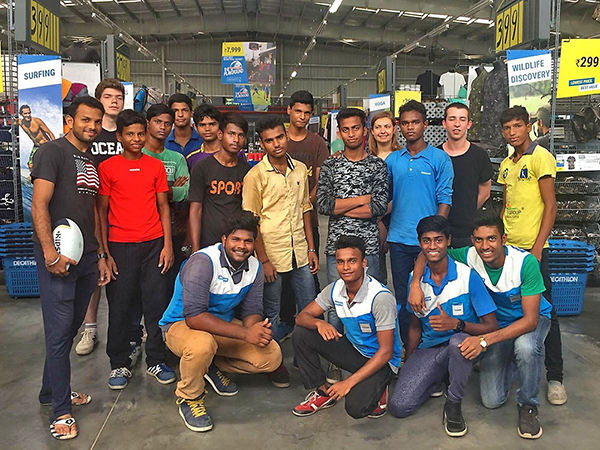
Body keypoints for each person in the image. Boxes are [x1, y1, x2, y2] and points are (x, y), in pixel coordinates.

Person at [409, 211, 553, 440]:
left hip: (530, 321)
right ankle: (513, 362)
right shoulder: (470, 255)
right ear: (472, 240)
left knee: (526, 347)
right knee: (491, 401)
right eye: (479, 239)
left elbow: (530, 321)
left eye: (491, 239)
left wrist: (484, 341)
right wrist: (415, 283)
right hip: (499, 325)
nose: (485, 246)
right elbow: (429, 252)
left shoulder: (525, 264)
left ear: (504, 239)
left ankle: (528, 404)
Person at [31, 96, 110, 440]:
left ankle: (51, 391)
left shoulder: (90, 159)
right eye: (85, 120)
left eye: (97, 121)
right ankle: (61, 410)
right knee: (59, 331)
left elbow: (92, 213)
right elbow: (39, 204)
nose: (92, 126)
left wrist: (101, 254)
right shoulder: (52, 152)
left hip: (87, 256)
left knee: (70, 328)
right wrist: (50, 253)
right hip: (59, 258)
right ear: (69, 120)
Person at [158, 211, 282, 433]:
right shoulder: (203, 262)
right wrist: (245, 334)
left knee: (271, 355)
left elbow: (252, 310)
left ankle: (209, 366)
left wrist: (255, 329)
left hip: (220, 327)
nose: (241, 246)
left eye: (248, 241)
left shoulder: (255, 267)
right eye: (236, 239)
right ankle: (189, 397)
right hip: (180, 325)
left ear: (254, 243)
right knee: (201, 345)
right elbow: (194, 317)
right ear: (224, 239)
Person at [388, 216, 498, 437]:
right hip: (431, 348)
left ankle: (454, 403)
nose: (432, 246)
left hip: (464, 345)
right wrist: (410, 361)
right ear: (420, 243)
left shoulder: (467, 276)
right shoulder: (415, 281)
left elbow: (492, 326)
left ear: (448, 240)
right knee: (399, 406)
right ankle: (438, 377)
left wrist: (457, 324)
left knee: (457, 343)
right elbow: (415, 326)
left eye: (438, 240)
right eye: (426, 241)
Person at [97, 110, 175, 390]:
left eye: (140, 133)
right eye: (130, 134)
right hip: (120, 246)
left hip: (154, 245)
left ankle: (156, 359)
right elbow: (101, 212)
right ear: (119, 136)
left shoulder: (155, 167)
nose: (136, 139)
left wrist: (167, 245)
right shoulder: (107, 168)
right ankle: (118, 363)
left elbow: (164, 207)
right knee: (120, 306)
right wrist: (104, 253)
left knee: (156, 305)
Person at [242, 116, 319, 388]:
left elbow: (305, 210)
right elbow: (252, 221)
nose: (276, 144)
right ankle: (273, 364)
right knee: (271, 312)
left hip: (300, 250)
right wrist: (263, 260)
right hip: (271, 254)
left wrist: (311, 248)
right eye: (269, 140)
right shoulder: (255, 176)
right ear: (262, 144)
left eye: (279, 137)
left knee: (310, 306)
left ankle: (306, 357)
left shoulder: (300, 169)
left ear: (286, 136)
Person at [497, 105, 566, 406]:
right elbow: (506, 205)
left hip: (533, 251)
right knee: (513, 308)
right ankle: (516, 366)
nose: (512, 132)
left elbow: (551, 206)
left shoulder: (541, 157)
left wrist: (537, 247)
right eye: (507, 128)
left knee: (545, 312)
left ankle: (555, 377)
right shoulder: (506, 164)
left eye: (517, 126)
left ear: (528, 126)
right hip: (510, 250)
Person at [291, 235, 402, 419]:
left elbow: (386, 352)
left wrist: (348, 383)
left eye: (352, 261)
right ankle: (323, 392)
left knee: (356, 408)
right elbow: (302, 317)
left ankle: (381, 385)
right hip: (355, 351)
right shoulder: (335, 289)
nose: (346, 267)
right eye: (340, 262)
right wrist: (319, 322)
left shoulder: (380, 298)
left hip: (382, 362)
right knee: (302, 333)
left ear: (364, 263)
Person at [317, 107, 388, 383]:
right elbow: (324, 205)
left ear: (364, 130)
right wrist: (361, 200)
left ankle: (370, 360)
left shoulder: (377, 166)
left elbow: (379, 206)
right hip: (336, 248)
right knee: (336, 307)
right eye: (345, 129)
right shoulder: (331, 166)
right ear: (339, 132)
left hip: (369, 247)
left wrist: (342, 207)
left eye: (356, 128)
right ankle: (335, 363)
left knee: (369, 305)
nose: (351, 134)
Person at [385, 100, 453, 344]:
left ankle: (432, 346)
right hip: (399, 240)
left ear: (425, 124)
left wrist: (435, 237)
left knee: (433, 294)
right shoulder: (393, 160)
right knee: (404, 300)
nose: (410, 127)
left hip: (429, 242)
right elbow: (386, 199)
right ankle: (409, 350)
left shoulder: (439, 159)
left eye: (415, 122)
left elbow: (445, 200)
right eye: (405, 123)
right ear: (399, 127)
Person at [75, 78, 125, 357]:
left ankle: (133, 326)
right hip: (93, 210)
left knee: (126, 274)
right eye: (108, 96)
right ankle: (90, 328)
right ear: (99, 100)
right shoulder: (91, 133)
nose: (114, 101)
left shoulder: (128, 131)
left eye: (118, 97)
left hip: (124, 211)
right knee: (95, 273)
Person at [142, 103, 190, 293]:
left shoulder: (177, 158)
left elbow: (186, 192)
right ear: (148, 123)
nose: (163, 127)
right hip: (143, 228)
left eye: (167, 123)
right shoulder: (138, 154)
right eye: (157, 122)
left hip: (173, 228)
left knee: (168, 285)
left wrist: (159, 190)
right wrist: (171, 188)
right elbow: (138, 193)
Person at [189, 113, 250, 252]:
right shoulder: (202, 167)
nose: (236, 140)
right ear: (220, 135)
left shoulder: (247, 171)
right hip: (208, 243)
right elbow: (195, 210)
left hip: (236, 244)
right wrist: (195, 248)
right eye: (231, 134)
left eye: (241, 135)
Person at [441, 102, 492, 248]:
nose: (457, 124)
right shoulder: (435, 156)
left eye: (462, 119)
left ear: (469, 124)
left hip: (468, 232)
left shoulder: (479, 156)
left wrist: (468, 212)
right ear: (444, 123)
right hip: (439, 230)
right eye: (452, 119)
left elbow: (485, 192)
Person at [367, 110, 400, 285]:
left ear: (394, 129)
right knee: (377, 273)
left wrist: (383, 215)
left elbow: (404, 191)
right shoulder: (366, 158)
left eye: (387, 126)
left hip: (399, 216)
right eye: (378, 127)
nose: (383, 131)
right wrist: (378, 220)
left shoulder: (403, 157)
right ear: (372, 131)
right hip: (373, 218)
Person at [185, 103, 223, 170]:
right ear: (196, 127)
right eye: (202, 125)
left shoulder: (235, 154)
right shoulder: (191, 158)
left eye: (212, 124)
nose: (207, 129)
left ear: (220, 125)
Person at [19, 104, 56, 169]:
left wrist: (54, 145)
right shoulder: (20, 122)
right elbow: (12, 121)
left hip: (45, 144)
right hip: (36, 146)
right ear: (21, 114)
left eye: (29, 113)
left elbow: (49, 133)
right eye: (25, 113)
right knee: (30, 165)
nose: (28, 115)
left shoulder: (37, 121)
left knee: (47, 164)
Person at [165, 93, 202, 158]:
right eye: (175, 111)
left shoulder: (203, 141)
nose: (180, 115)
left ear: (191, 113)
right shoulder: (163, 143)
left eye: (184, 110)